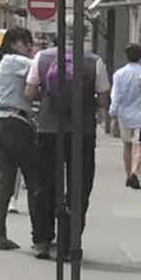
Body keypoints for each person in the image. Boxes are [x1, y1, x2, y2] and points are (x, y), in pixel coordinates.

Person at [24, 37, 110, 252]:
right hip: (82, 132)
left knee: (44, 185)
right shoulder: (94, 61)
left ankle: (42, 240)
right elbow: (103, 100)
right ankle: (70, 241)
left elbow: (30, 92)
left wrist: (48, 97)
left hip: (48, 129)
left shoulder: (42, 58)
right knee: (79, 187)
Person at [0, 28, 48, 254]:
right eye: (26, 43)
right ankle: (40, 240)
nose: (29, 48)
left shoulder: (1, 63)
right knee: (34, 181)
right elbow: (42, 68)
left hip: (0, 124)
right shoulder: (13, 60)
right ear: (13, 43)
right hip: (16, 125)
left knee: (6, 183)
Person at [109, 42, 141, 188]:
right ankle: (135, 172)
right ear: (140, 56)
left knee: (127, 146)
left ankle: (129, 173)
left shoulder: (119, 74)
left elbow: (115, 95)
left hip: (124, 115)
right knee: (140, 144)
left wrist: (113, 113)